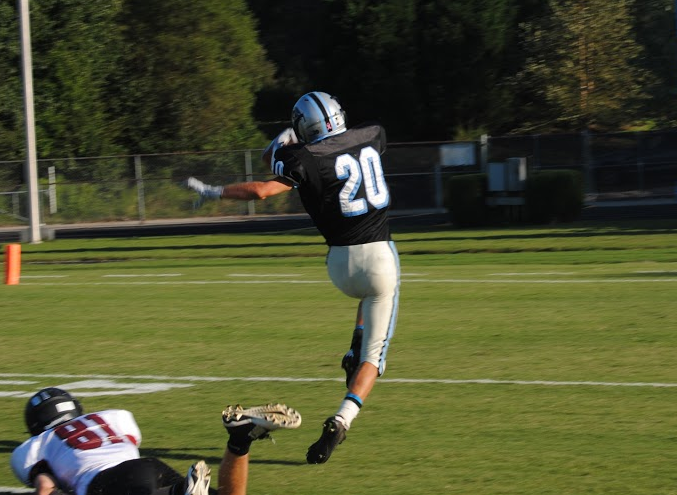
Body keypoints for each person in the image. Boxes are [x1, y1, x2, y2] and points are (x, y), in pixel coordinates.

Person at [185, 90, 401, 464]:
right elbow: (346, 148)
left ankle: (354, 345)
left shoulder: (304, 158)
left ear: (304, 128)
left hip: (339, 265)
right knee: (374, 354)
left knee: (366, 296)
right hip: (380, 259)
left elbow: (265, 185)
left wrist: (213, 191)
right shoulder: (373, 134)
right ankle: (342, 417)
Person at [11, 387, 301, 495]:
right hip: (146, 467)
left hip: (105, 484)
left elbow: (45, 486)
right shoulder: (111, 416)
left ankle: (180, 492)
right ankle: (240, 440)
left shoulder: (36, 446)